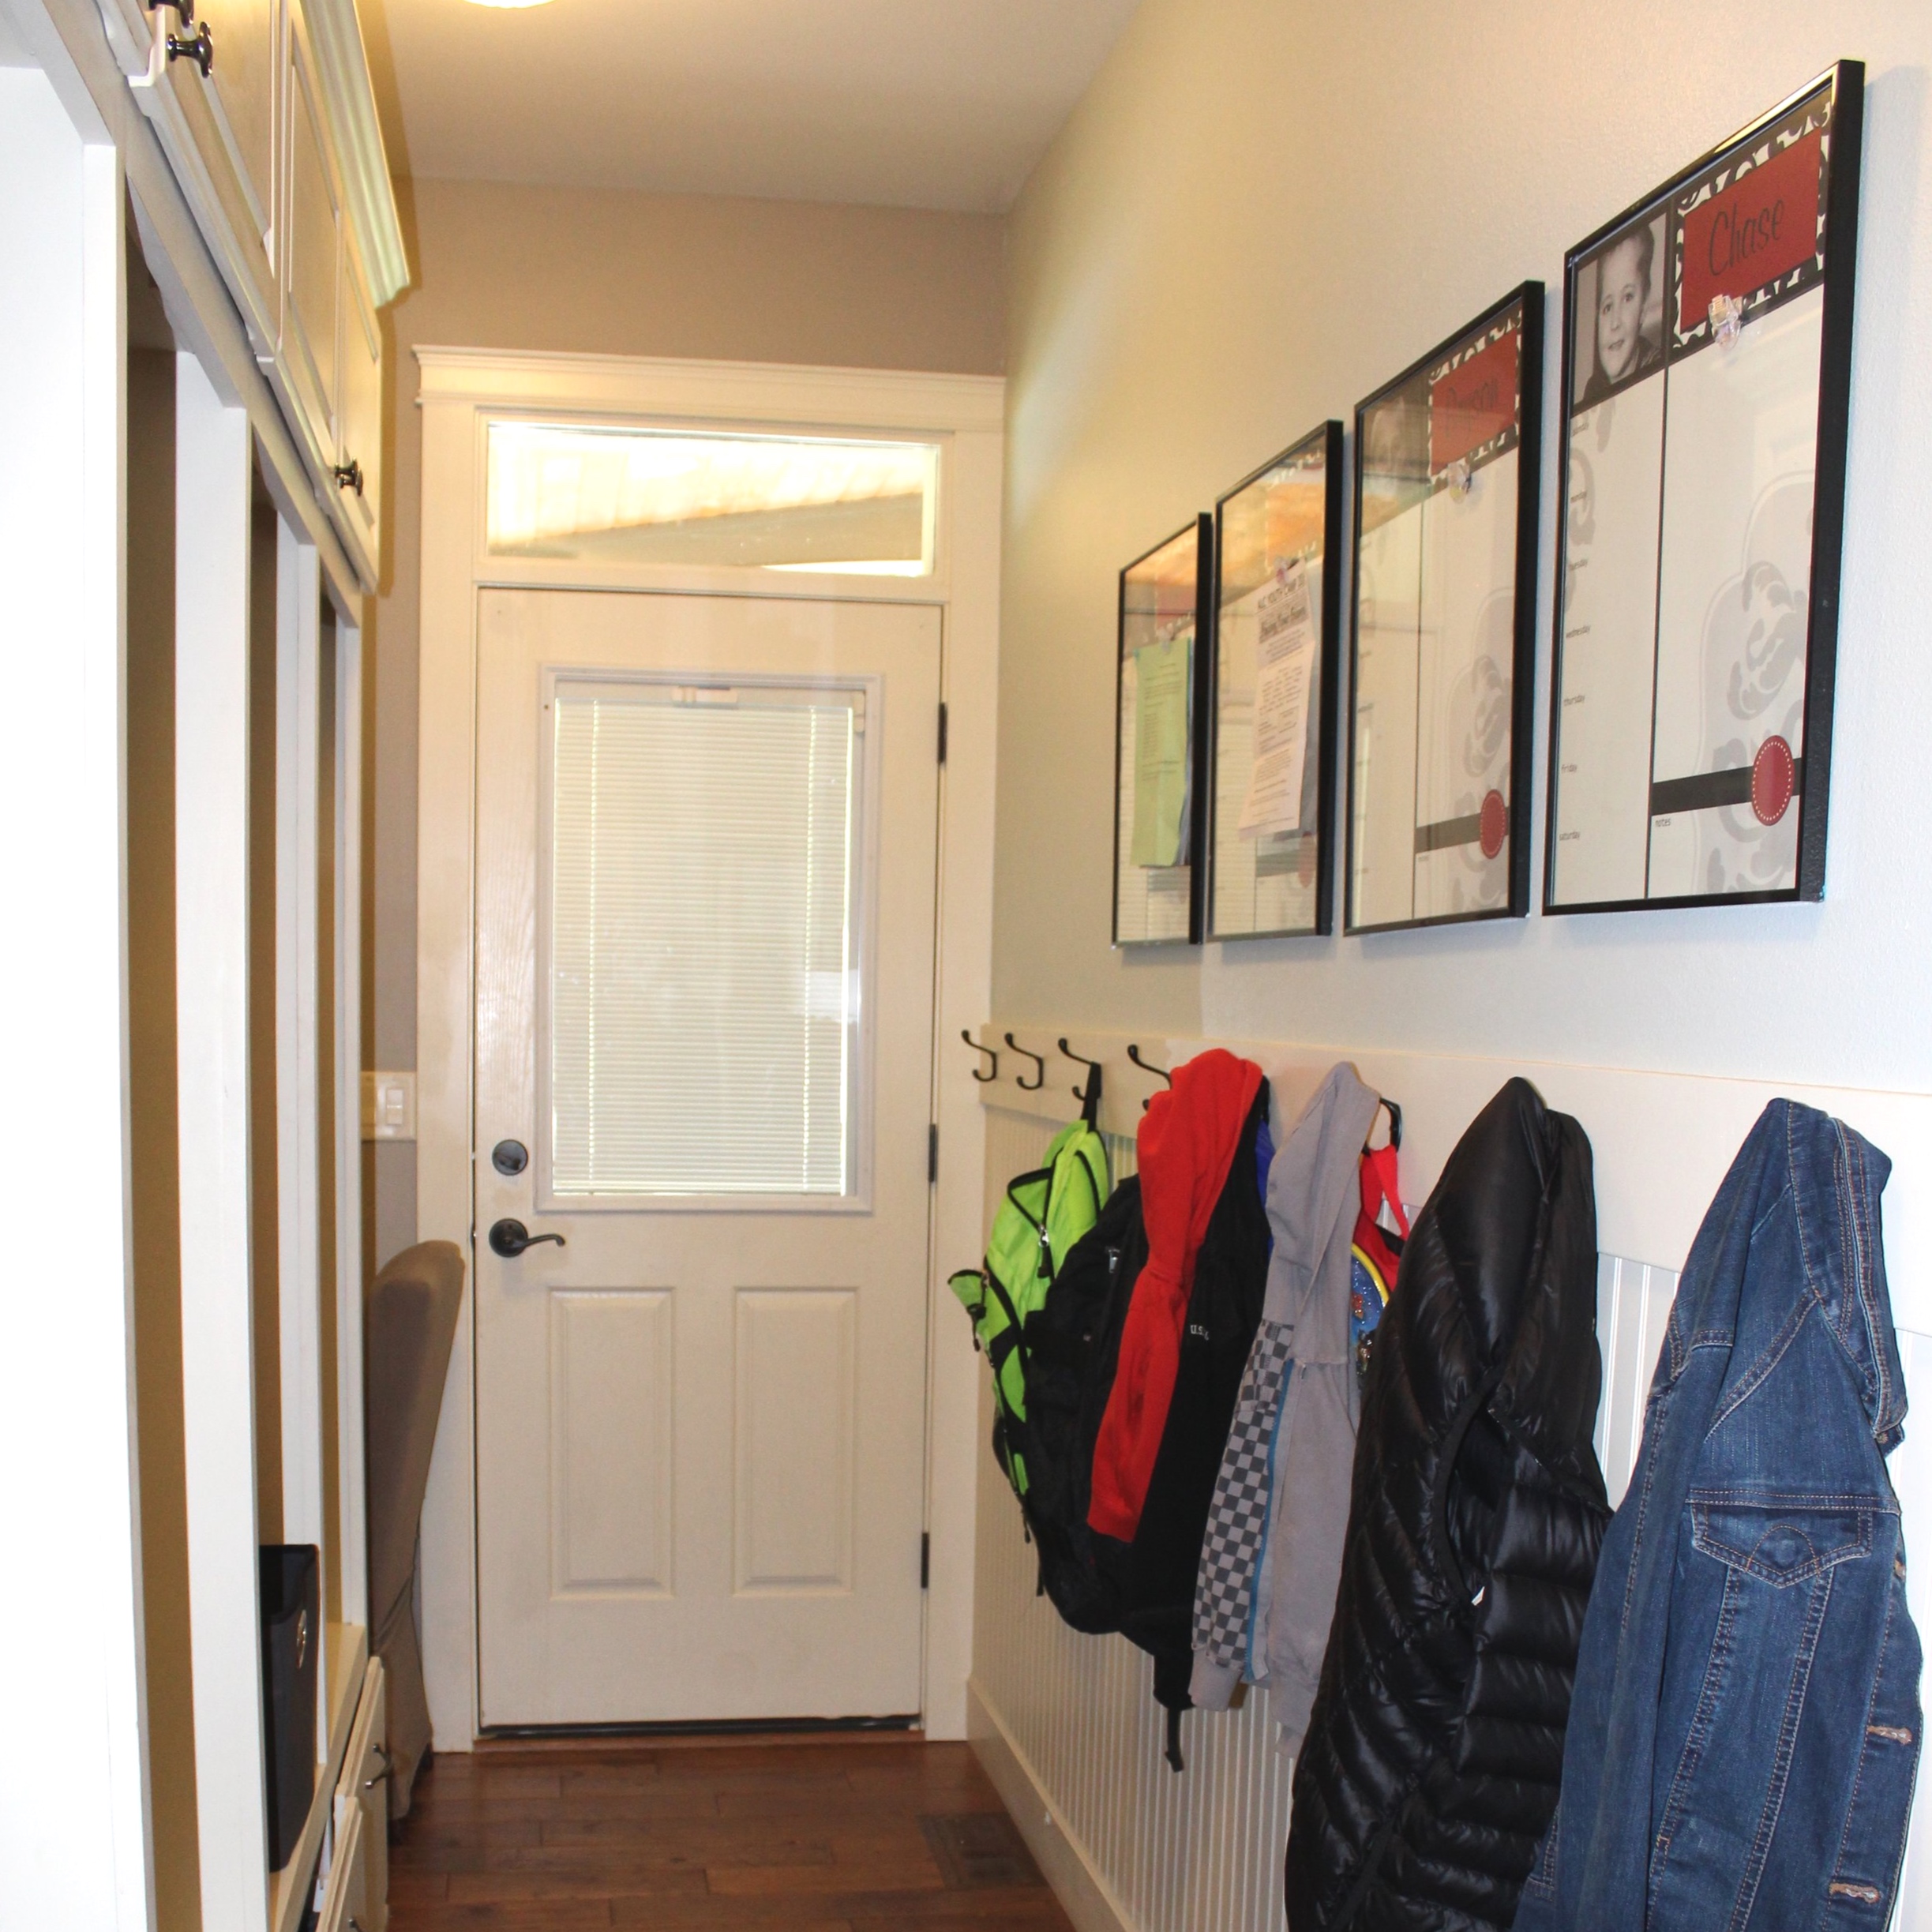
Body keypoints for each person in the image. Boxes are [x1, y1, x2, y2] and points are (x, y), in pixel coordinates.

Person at [1580, 223, 1662, 404]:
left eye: (1627, 297)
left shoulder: (1656, 369)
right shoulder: (1593, 390)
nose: (1615, 322)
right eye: (1607, 307)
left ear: (1644, 305)